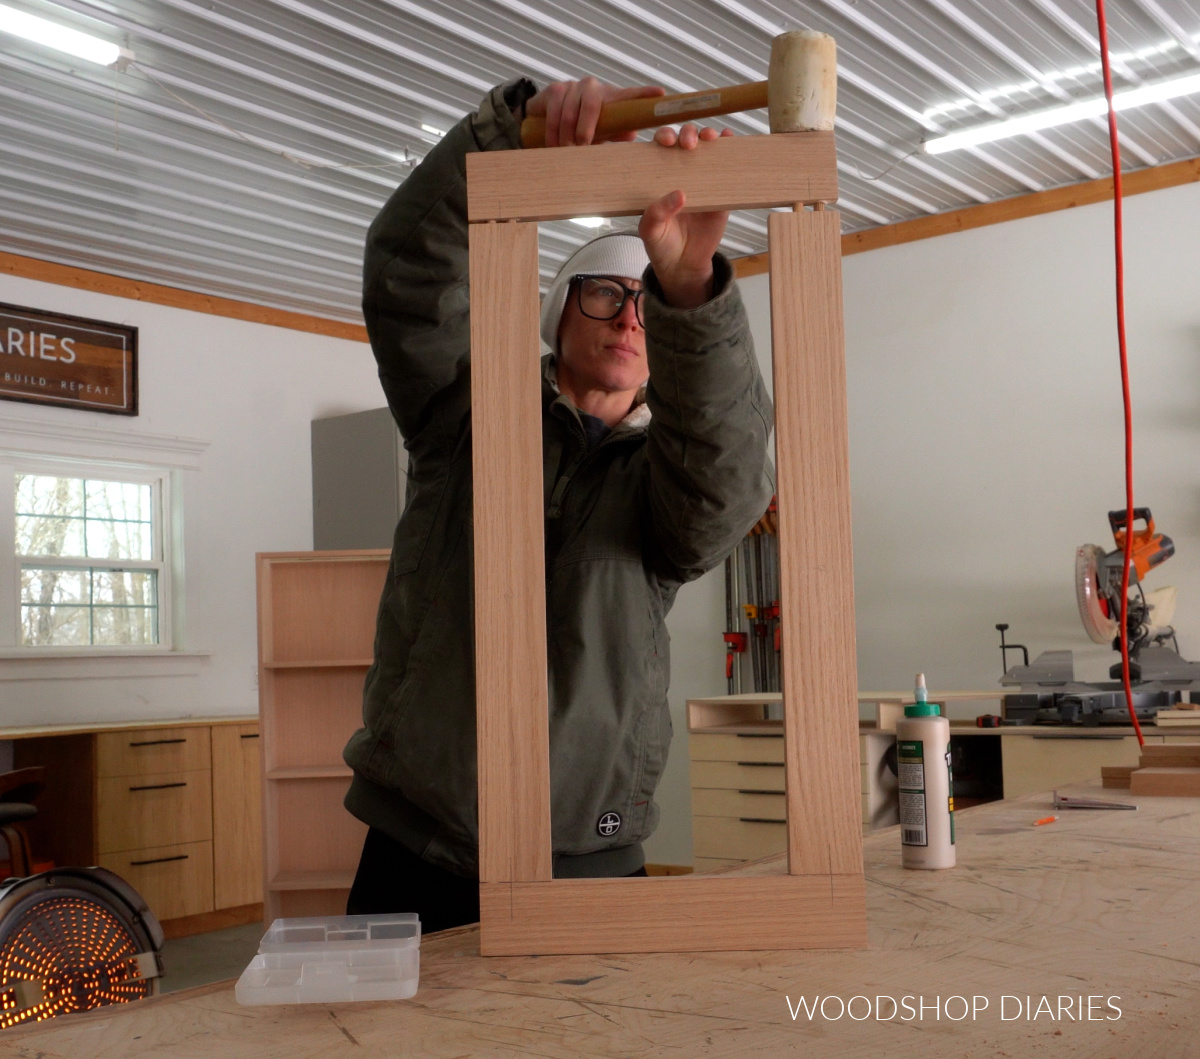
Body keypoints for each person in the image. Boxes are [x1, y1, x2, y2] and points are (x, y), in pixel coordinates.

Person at [342, 77, 774, 932]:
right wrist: (504, 139)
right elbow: (408, 282)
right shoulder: (467, 417)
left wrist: (693, 288)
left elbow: (725, 485)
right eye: (605, 293)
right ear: (559, 315)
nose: (628, 318)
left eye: (648, 303)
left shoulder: (663, 481)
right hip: (419, 841)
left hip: (589, 851)